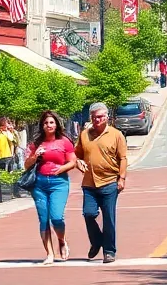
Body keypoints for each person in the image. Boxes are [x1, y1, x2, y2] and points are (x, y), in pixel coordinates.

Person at [74, 102, 127, 264]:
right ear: (91, 118)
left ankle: (109, 251)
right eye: (94, 117)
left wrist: (122, 178)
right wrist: (78, 162)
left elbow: (123, 158)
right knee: (88, 214)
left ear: (107, 117)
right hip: (89, 183)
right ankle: (97, 241)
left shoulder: (116, 134)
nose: (97, 120)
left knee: (109, 218)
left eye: (100, 117)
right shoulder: (84, 135)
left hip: (110, 182)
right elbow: (76, 155)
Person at [26, 110, 75, 264]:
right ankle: (50, 254)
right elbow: (26, 165)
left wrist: (61, 169)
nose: (49, 125)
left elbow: (72, 161)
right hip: (39, 184)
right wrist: (35, 156)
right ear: (42, 125)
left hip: (59, 183)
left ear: (56, 124)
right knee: (43, 220)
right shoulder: (36, 143)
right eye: (46, 123)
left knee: (57, 217)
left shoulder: (64, 141)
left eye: (52, 122)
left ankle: (61, 240)